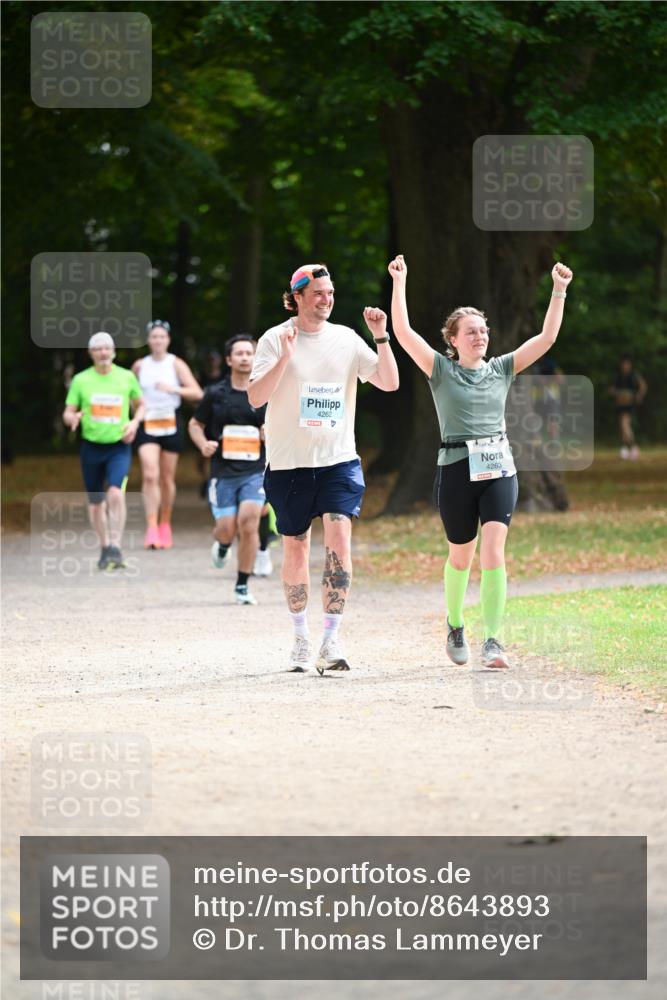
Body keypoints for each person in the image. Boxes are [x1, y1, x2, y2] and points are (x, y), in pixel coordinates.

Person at [388, 254, 573, 669]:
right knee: (461, 556)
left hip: (499, 468)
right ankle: (455, 624)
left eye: (484, 330)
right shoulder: (440, 370)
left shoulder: (502, 369)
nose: (480, 336)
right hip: (456, 468)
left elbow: (546, 339)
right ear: (453, 339)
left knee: (493, 552)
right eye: (471, 331)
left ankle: (492, 639)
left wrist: (558, 291)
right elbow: (402, 332)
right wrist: (400, 282)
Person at [248, 263, 400, 673]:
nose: (326, 299)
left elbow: (389, 382)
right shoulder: (274, 338)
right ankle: (301, 637)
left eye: (330, 293)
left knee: (340, 541)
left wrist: (381, 336)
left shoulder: (346, 339)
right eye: (317, 293)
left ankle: (331, 639)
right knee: (296, 548)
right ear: (296, 296)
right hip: (288, 465)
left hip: (338, 461)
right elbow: (255, 397)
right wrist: (285, 357)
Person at [189, 335, 267, 605]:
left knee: (249, 520)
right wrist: (203, 444)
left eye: (249, 353)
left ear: (256, 358)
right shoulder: (215, 393)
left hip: (255, 470)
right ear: (229, 360)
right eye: (239, 353)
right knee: (226, 529)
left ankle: (242, 585)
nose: (245, 357)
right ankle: (223, 544)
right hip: (223, 472)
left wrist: (268, 432)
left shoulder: (264, 392)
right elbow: (195, 425)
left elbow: (279, 425)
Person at [63, 331, 145, 570]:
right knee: (96, 503)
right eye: (98, 348)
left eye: (107, 347)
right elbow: (68, 411)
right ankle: (104, 546)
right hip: (91, 447)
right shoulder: (81, 380)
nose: (103, 352)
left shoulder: (126, 377)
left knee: (116, 493)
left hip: (119, 446)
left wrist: (134, 423)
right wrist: (72, 418)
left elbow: (141, 405)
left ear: (113, 351)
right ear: (91, 353)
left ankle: (116, 546)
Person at [132, 320, 203, 549]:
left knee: (166, 478)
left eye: (162, 337)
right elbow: (131, 394)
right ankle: (151, 526)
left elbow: (197, 393)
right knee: (150, 474)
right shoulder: (140, 366)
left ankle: (165, 523)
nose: (158, 341)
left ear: (168, 340)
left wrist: (174, 389)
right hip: (148, 422)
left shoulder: (176, 363)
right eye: (154, 336)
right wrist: (136, 415)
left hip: (171, 421)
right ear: (148, 340)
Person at [609, 356, 647, 459]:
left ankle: (633, 446)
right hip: (620, 403)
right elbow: (612, 389)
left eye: (627, 364)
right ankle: (625, 448)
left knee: (624, 424)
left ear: (630, 365)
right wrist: (618, 394)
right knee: (624, 426)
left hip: (630, 403)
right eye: (624, 364)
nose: (625, 366)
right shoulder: (618, 376)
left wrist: (639, 395)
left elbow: (643, 386)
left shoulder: (634, 375)